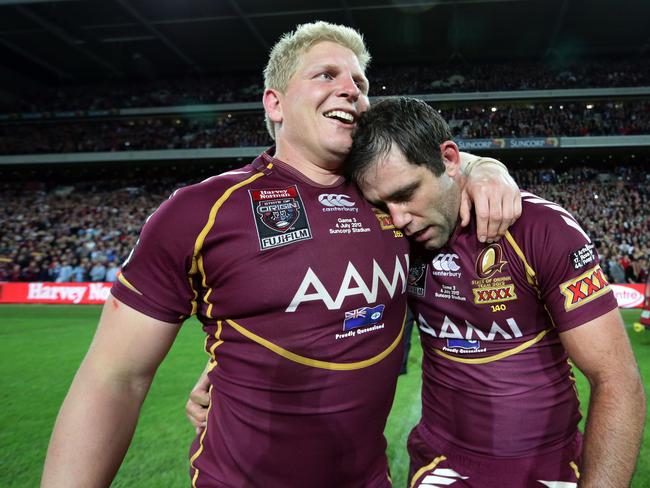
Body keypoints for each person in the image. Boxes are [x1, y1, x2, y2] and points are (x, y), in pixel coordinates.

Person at [42, 24, 519, 488]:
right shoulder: (201, 212)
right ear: (275, 102)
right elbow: (114, 378)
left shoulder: (389, 200)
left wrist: (487, 168)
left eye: (359, 82)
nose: (350, 90)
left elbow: (440, 167)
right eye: (326, 75)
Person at [343, 97, 644, 487]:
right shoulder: (393, 237)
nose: (399, 217)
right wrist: (483, 164)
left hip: (547, 466)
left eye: (406, 193)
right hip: (441, 466)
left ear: (449, 160)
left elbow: (617, 380)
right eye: (382, 204)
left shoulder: (541, 230)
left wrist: (484, 166)